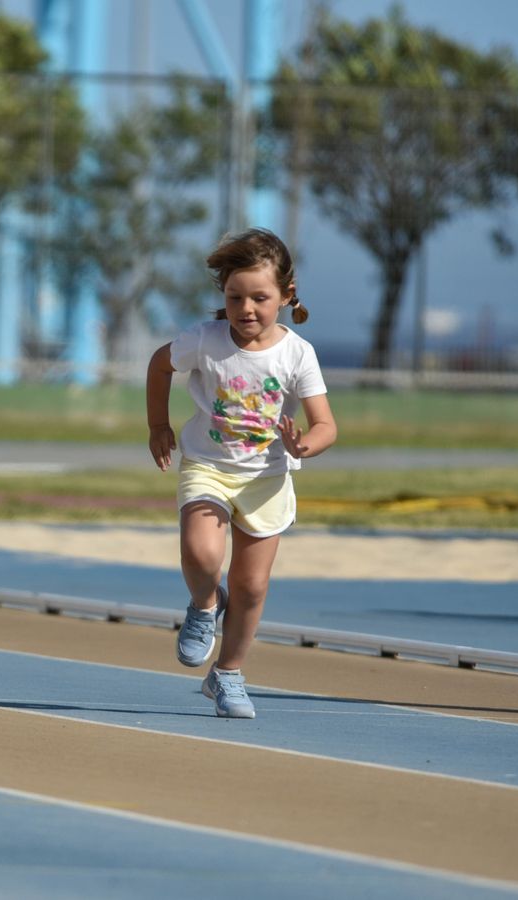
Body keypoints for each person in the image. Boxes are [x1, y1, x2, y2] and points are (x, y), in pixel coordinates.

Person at [145, 228, 337, 719]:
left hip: (266, 478)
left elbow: (326, 425)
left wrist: (305, 445)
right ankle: (205, 604)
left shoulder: (297, 353)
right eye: (235, 297)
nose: (246, 309)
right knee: (201, 552)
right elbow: (158, 365)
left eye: (260, 298)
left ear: (286, 296)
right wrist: (157, 425)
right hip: (208, 466)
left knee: (252, 587)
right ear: (222, 296)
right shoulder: (204, 341)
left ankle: (227, 675)